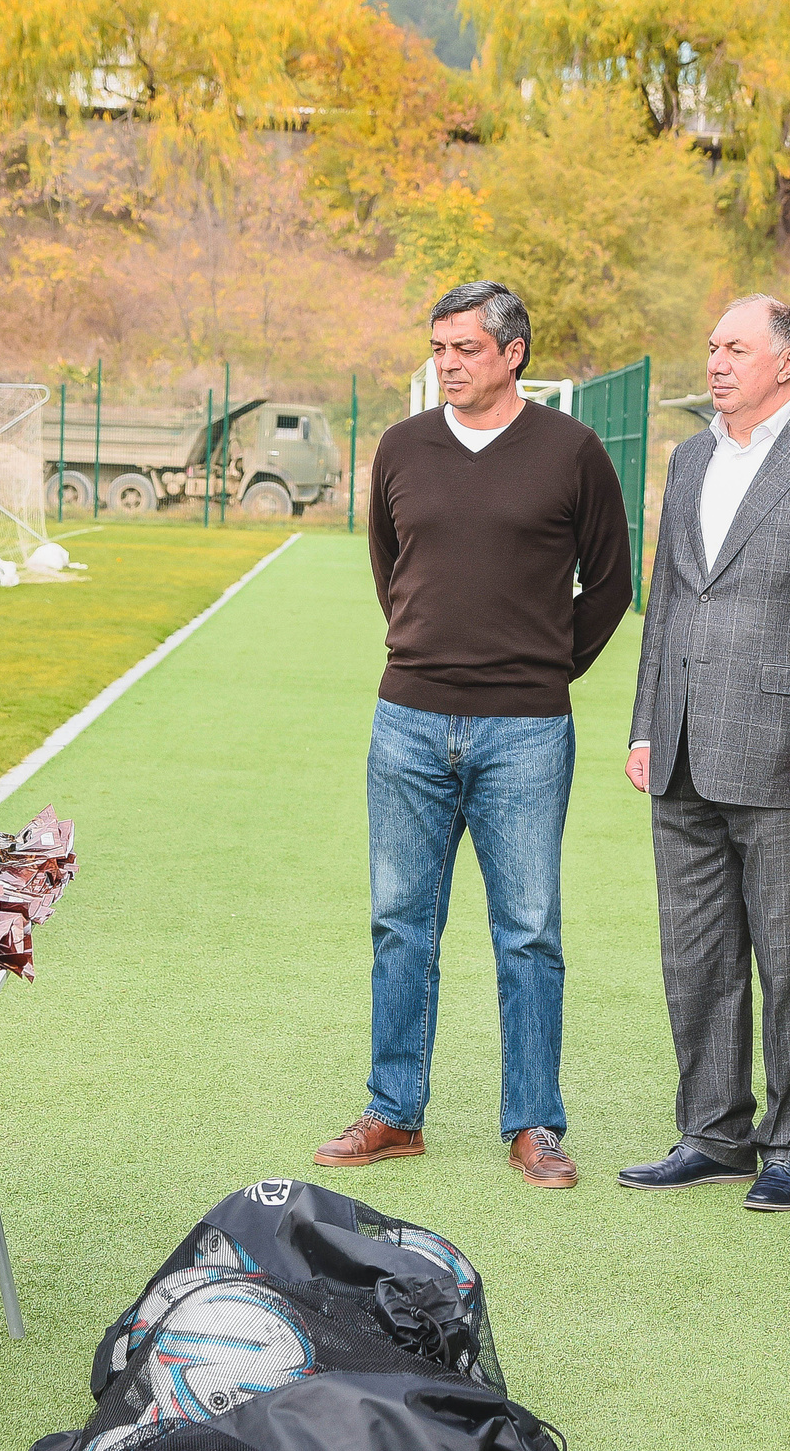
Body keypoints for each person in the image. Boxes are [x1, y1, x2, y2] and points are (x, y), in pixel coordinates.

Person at [316, 280, 635, 1191]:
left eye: (464, 348)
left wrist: (537, 668)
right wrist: (432, 654)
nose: (447, 364)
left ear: (513, 351)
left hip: (527, 732)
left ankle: (534, 1123)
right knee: (399, 923)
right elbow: (393, 567)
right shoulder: (402, 447)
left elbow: (609, 585)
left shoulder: (573, 452)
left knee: (529, 930)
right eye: (438, 348)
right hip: (407, 720)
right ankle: (393, 1110)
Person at [617, 294, 790, 1213]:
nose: (715, 361)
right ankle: (713, 1132)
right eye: (710, 346)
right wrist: (646, 724)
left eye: (735, 347)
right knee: (693, 954)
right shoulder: (691, 454)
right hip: (686, 749)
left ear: (787, 360)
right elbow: (668, 601)